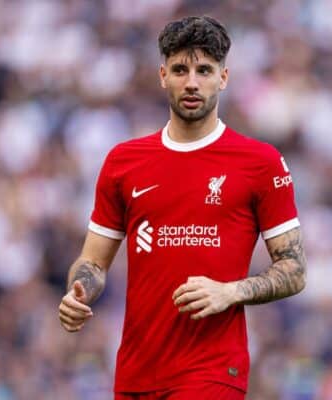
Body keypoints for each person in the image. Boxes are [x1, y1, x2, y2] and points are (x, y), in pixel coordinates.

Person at [58, 15, 307, 400]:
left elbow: (294, 269)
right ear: (163, 75)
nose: (192, 82)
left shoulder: (260, 163)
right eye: (180, 69)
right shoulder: (124, 162)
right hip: (137, 371)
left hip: (212, 371)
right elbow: (93, 263)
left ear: (223, 78)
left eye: (204, 70)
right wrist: (79, 291)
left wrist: (230, 292)